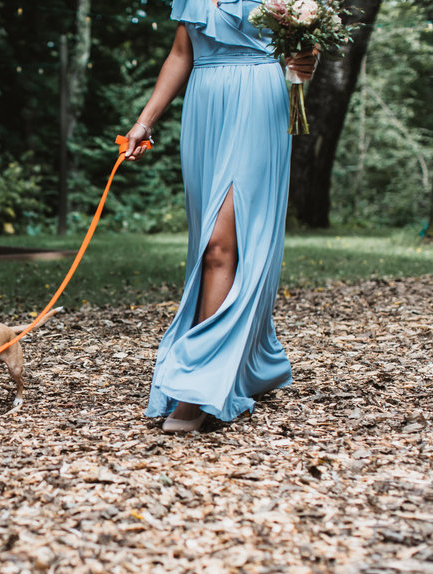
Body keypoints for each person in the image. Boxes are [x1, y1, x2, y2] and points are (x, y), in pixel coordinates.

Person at [124, 0, 318, 432]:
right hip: (204, 109)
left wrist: (304, 63)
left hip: (259, 103)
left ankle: (198, 388)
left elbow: (302, 57)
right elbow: (181, 53)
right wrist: (145, 121)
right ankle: (255, 364)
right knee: (208, 246)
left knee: (220, 245)